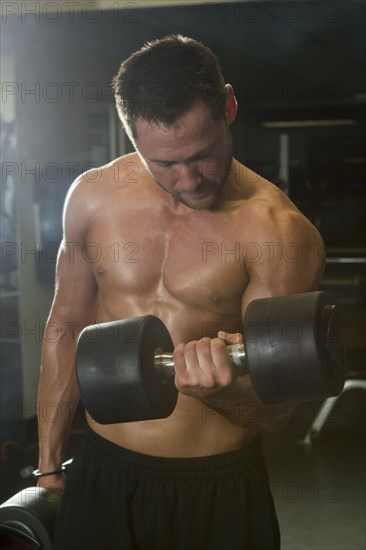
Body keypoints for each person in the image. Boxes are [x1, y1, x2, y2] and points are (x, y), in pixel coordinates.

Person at [37, 35, 325, 549]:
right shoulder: (92, 198)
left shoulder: (278, 232)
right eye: (164, 164)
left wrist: (226, 392)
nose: (189, 180)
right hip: (104, 474)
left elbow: (276, 411)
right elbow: (66, 328)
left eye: (202, 155)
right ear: (132, 134)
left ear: (228, 106)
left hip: (216, 488)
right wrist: (48, 467)